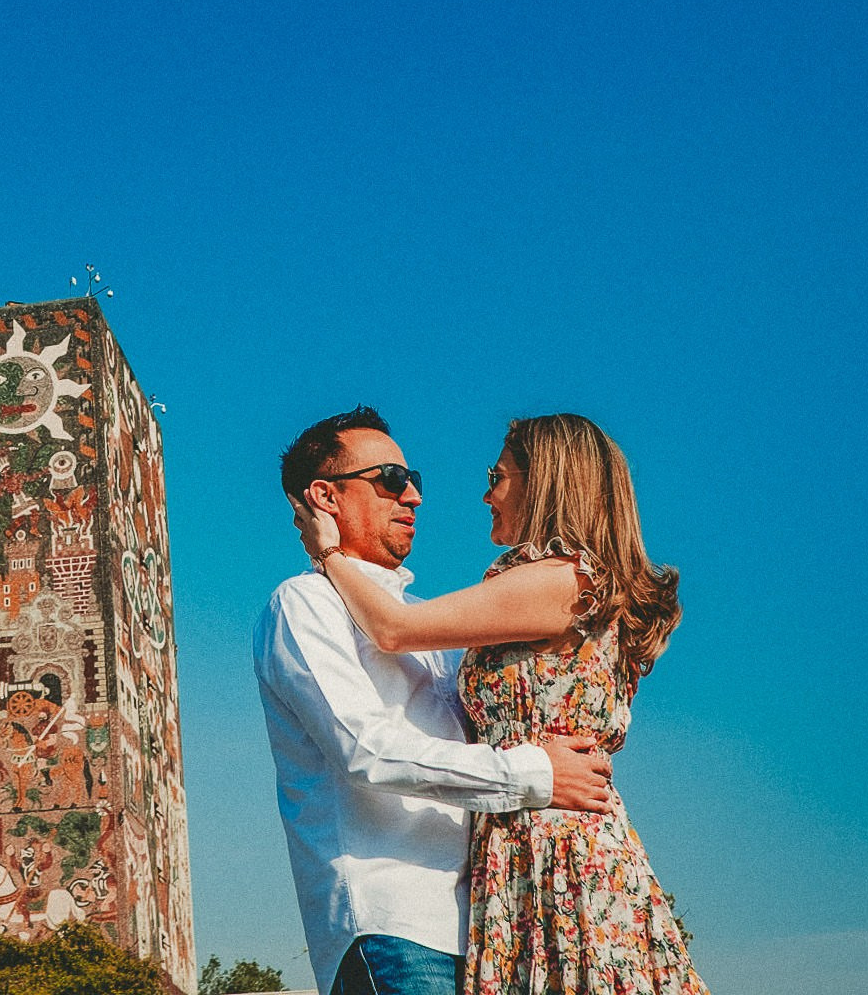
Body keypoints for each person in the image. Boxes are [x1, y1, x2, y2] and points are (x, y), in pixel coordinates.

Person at [298, 413, 706, 995]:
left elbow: (393, 628)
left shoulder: (564, 577)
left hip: (553, 842)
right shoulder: (565, 581)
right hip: (523, 836)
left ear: (544, 481)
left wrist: (328, 555)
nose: (486, 492)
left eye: (498, 474)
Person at [255, 407, 614, 995]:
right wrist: (535, 773)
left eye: (413, 478)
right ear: (325, 497)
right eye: (391, 480)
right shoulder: (303, 604)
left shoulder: (433, 634)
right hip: (396, 925)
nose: (415, 495)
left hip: (491, 926)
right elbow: (366, 749)